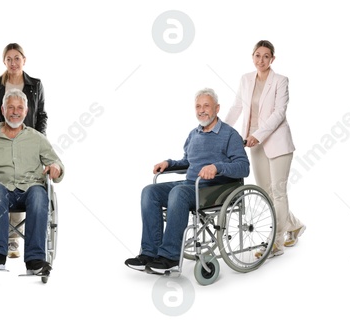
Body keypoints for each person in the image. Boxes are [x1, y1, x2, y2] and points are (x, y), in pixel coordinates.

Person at [125, 88, 249, 275]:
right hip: (191, 185)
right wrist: (169, 163)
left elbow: (243, 167)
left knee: (178, 193)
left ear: (217, 108)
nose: (201, 110)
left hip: (215, 188)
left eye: (206, 105)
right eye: (198, 106)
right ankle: (149, 253)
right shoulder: (194, 134)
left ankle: (170, 257)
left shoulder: (230, 135)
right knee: (149, 191)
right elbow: (188, 162)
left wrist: (217, 167)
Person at [0, 89, 64, 276]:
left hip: (30, 191)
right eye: (11, 107)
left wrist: (55, 167)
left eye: (20, 108)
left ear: (26, 112)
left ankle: (35, 260)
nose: (15, 111)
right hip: (0, 192)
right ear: (3, 109)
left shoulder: (37, 138)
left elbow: (56, 163)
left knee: (38, 193)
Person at [222, 40, 304, 258]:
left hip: (277, 142)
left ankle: (275, 243)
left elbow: (279, 113)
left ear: (272, 59)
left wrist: (257, 136)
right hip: (252, 142)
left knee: (278, 192)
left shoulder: (281, 81)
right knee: (266, 192)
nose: (261, 60)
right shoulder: (246, 80)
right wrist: (220, 130)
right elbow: (237, 107)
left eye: (266, 56)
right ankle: (294, 225)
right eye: (258, 55)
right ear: (252, 57)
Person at [0, 43, 47, 258]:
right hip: (1, 140)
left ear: (24, 60)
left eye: (17, 58)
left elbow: (41, 115)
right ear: (4, 61)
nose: (13, 62)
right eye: (8, 58)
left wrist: (37, 141)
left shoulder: (35, 85)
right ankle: (2, 246)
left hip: (28, 139)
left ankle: (16, 243)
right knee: (4, 179)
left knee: (27, 181)